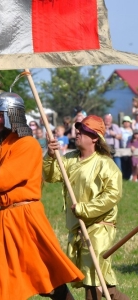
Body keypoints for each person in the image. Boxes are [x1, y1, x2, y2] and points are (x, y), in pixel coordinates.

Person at [0, 92, 84, 300]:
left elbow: (1, 181)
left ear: (13, 116)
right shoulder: (0, 148)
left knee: (46, 277)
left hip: (24, 219)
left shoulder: (27, 145)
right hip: (1, 219)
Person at [43, 115, 129, 300]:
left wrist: (85, 209)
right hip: (77, 227)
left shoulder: (106, 165)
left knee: (94, 278)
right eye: (79, 129)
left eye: (84, 131)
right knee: (99, 282)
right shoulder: (69, 159)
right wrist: (50, 157)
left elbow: (112, 195)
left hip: (100, 226)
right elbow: (51, 176)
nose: (78, 133)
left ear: (95, 137)